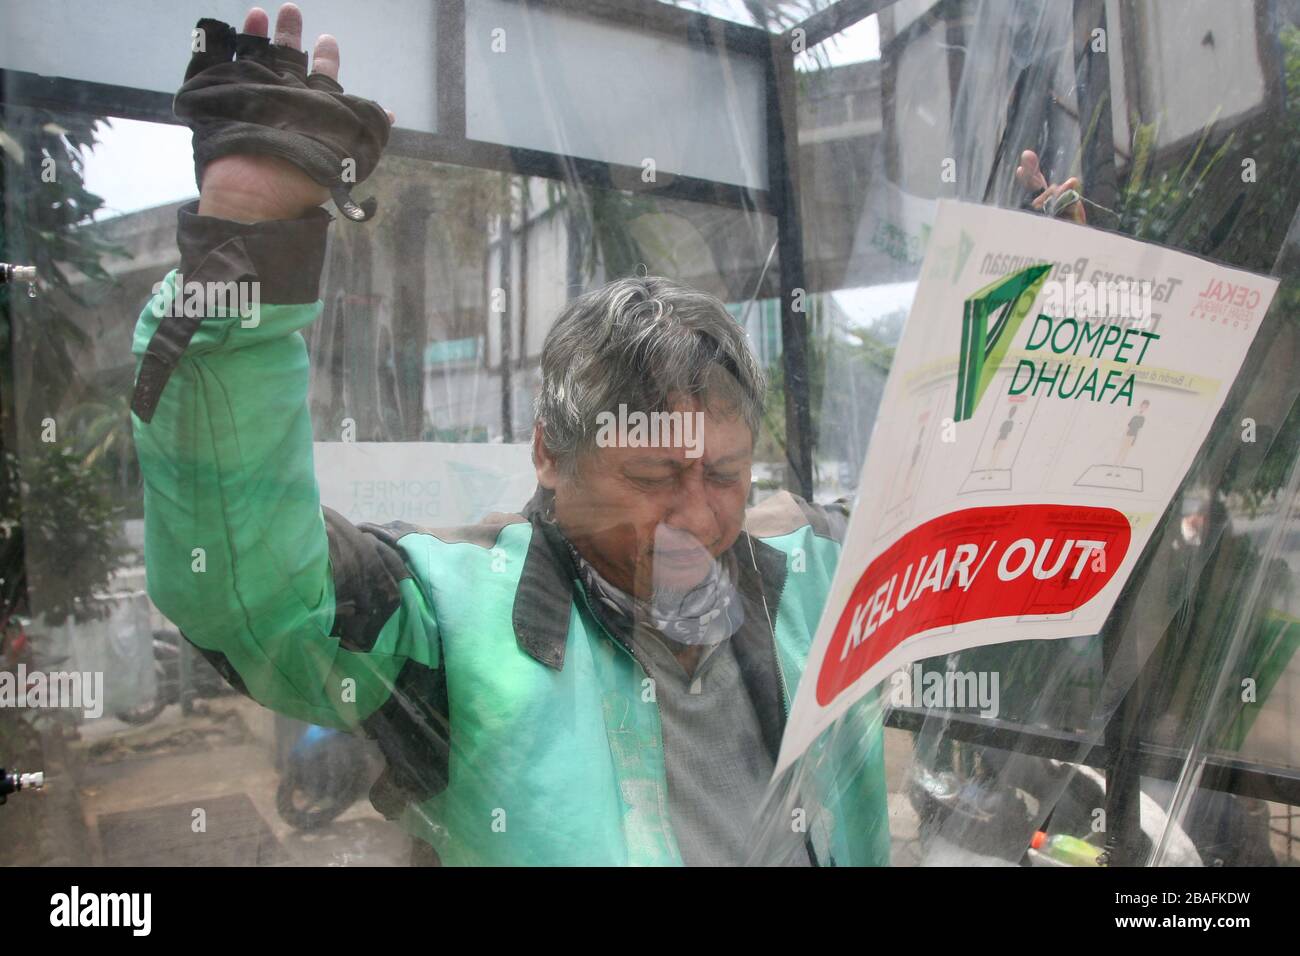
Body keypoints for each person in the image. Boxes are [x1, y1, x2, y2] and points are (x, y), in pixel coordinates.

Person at [131, 4, 1080, 867]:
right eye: (655, 473)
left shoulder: (819, 578)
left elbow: (980, 526)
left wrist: (1035, 312)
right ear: (550, 451)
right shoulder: (455, 627)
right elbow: (257, 596)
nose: (699, 516)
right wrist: (244, 255)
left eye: (726, 472)